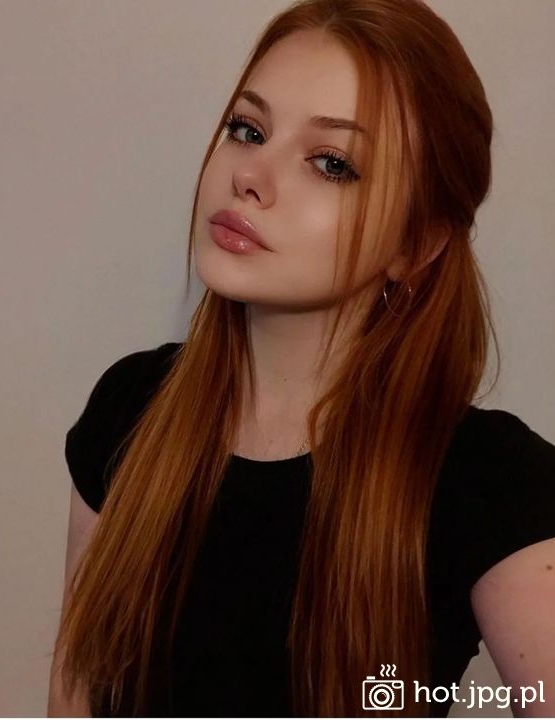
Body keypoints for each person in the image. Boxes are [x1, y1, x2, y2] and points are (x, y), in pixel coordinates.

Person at [48, 0, 555, 717]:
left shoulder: (491, 481)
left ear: (418, 244)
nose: (250, 175)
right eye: (247, 130)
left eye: (331, 163)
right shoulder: (130, 407)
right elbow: (72, 694)